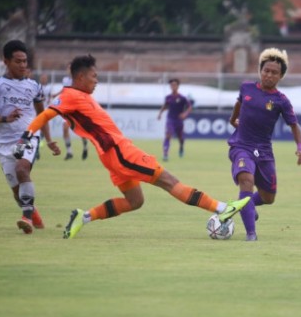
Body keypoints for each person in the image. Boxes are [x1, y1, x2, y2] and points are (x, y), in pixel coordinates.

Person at [13, 54, 249, 239]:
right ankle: (222, 208)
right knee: (169, 181)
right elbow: (45, 115)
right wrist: (26, 136)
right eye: (94, 76)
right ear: (81, 77)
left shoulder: (77, 95)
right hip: (120, 152)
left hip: (112, 155)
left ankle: (82, 218)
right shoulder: (70, 95)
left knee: (135, 201)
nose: (97, 80)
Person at [227, 48, 301, 241]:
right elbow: (239, 104)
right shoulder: (246, 88)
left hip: (263, 151)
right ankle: (251, 235)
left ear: (280, 76)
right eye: (266, 70)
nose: (269, 75)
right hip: (241, 146)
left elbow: (294, 126)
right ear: (260, 71)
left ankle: (245, 206)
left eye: (274, 72)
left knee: (268, 197)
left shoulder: (281, 101)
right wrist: (233, 120)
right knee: (246, 181)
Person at [0, 40, 61, 234]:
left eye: (25, 61)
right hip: (3, 142)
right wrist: (5, 118)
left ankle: (26, 217)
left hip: (27, 137)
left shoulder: (34, 86)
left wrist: (49, 140)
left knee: (22, 168)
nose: (23, 65)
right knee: (17, 191)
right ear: (6, 61)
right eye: (18, 61)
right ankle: (34, 217)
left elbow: (43, 116)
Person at [157, 78, 192, 161]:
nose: (173, 86)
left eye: (174, 85)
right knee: (168, 135)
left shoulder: (182, 98)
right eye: (171, 85)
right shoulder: (168, 97)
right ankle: (165, 154)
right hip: (170, 119)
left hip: (179, 121)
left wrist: (185, 114)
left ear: (178, 86)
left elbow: (190, 107)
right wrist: (160, 113)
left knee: (180, 138)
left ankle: (181, 146)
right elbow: (165, 106)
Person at [59, 66, 89, 160]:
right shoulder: (65, 80)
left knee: (81, 131)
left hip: (77, 108)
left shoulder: (79, 80)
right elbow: (64, 91)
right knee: (65, 128)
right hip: (68, 108)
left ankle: (85, 147)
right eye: (68, 69)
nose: (69, 70)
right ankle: (69, 151)